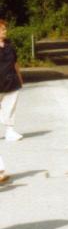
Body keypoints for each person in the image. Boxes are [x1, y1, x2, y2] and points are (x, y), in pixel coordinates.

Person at [0, 19, 24, 184]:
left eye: (5, 29)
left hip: (10, 82)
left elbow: (15, 63)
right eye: (2, 30)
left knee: (11, 107)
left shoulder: (9, 47)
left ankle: (0, 171)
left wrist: (20, 78)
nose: (4, 32)